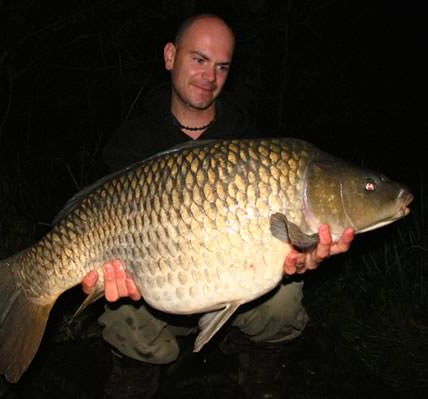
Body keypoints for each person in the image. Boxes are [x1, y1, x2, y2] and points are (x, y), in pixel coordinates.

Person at [85, 14, 355, 399]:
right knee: (120, 311)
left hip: (241, 298)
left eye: (221, 66)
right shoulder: (131, 142)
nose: (209, 76)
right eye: (198, 60)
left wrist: (305, 254)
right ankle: (137, 367)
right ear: (169, 56)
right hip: (162, 293)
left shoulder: (251, 142)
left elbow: (289, 246)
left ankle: (255, 355)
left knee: (286, 297)